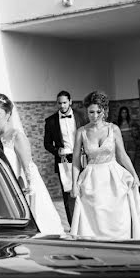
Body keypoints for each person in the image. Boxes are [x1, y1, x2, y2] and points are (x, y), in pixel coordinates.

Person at [69, 91, 140, 240]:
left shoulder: (113, 129)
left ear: (104, 111)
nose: (94, 115)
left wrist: (134, 175)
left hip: (113, 176)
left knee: (117, 215)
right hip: (91, 178)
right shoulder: (82, 132)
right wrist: (73, 184)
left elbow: (122, 155)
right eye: (91, 112)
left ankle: (121, 245)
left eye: (98, 112)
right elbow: (75, 161)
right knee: (94, 216)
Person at [0, 94, 64, 234]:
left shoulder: (17, 136)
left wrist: (30, 191)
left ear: (8, 114)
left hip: (21, 189)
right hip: (2, 191)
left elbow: (28, 168)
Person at [43, 90, 86, 222]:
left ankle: (86, 222)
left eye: (65, 102)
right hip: (64, 160)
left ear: (70, 102)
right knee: (68, 195)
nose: (62, 106)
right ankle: (73, 225)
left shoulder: (82, 116)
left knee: (85, 190)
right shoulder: (50, 121)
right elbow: (47, 143)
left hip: (82, 158)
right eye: (59, 103)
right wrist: (57, 151)